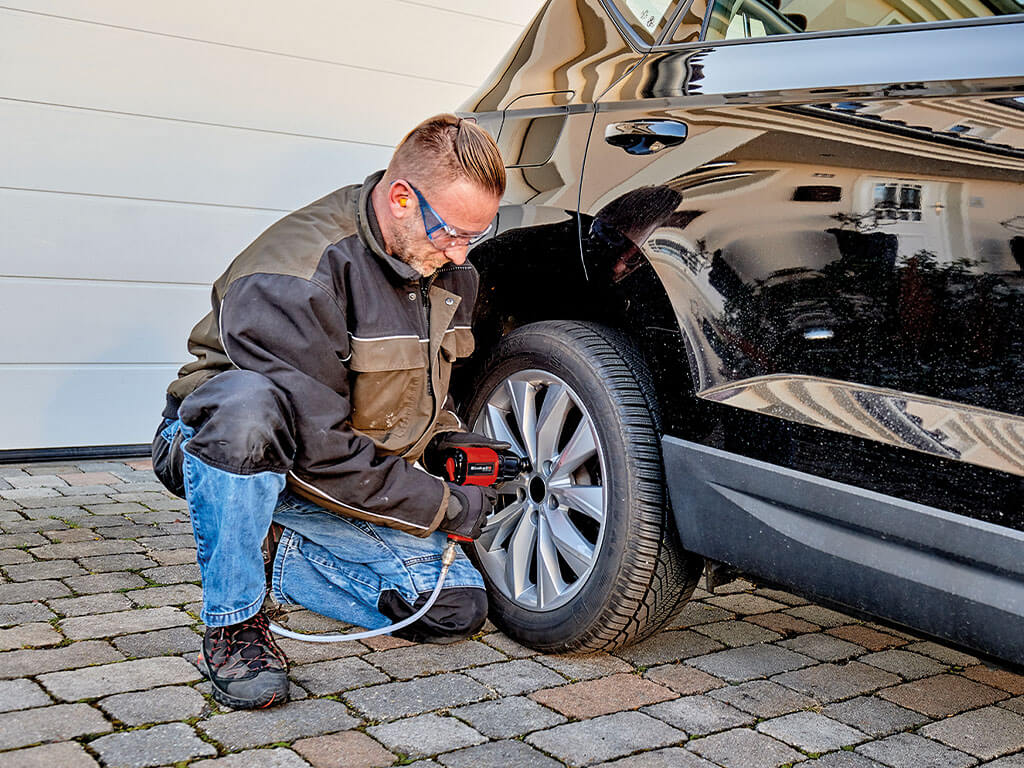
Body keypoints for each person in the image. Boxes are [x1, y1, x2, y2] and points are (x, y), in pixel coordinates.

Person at [151, 114, 507, 709]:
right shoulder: (295, 276)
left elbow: (419, 394)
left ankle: (269, 546)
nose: (460, 252)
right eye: (451, 232)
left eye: (476, 234)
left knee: (451, 609)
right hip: (228, 451)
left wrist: (450, 444)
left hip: (335, 466)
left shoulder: (447, 271)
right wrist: (444, 507)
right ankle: (234, 622)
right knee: (247, 407)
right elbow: (318, 448)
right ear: (400, 198)